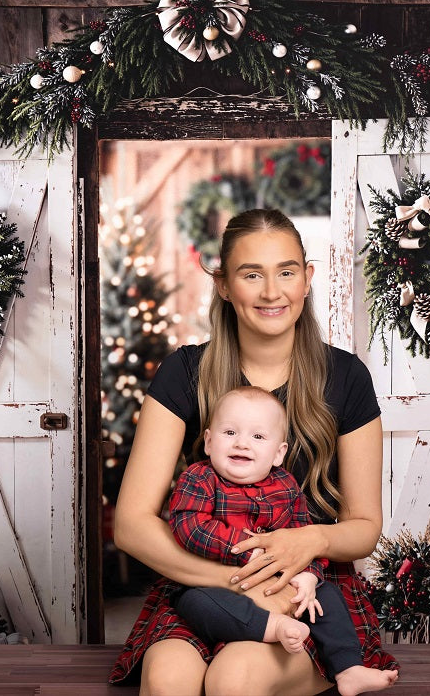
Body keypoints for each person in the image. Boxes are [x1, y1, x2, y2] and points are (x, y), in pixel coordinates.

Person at [110, 208, 399, 696]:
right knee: (168, 678)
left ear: (306, 279)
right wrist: (234, 582)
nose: (271, 292)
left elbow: (365, 527)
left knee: (234, 678)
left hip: (303, 592)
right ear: (224, 284)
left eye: (286, 272)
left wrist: (311, 542)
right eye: (251, 274)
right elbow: (132, 525)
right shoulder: (183, 374)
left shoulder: (347, 379)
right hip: (198, 586)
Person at [169, 385, 398, 696]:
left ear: (278, 453)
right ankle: (272, 627)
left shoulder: (286, 487)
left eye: (258, 437)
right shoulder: (199, 478)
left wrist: (308, 576)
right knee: (194, 603)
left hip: (281, 580)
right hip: (214, 583)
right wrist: (248, 551)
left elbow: (303, 535)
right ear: (209, 442)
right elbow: (190, 527)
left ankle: (347, 668)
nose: (242, 443)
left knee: (325, 596)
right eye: (230, 432)